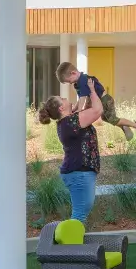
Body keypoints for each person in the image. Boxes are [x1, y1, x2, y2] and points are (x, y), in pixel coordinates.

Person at [39, 78, 103, 223]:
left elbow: (83, 108)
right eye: (62, 98)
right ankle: (70, 244)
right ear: (61, 108)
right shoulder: (71, 122)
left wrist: (82, 90)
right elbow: (98, 110)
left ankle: (74, 242)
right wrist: (92, 90)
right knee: (80, 214)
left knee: (81, 213)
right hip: (79, 173)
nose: (65, 98)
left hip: (79, 171)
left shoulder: (69, 121)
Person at [56, 61, 136, 142]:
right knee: (107, 119)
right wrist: (74, 109)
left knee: (113, 120)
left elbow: (83, 100)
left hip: (105, 101)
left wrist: (78, 112)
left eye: (69, 81)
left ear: (73, 73)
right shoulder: (78, 83)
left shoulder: (83, 80)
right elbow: (80, 99)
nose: (70, 83)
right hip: (101, 102)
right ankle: (124, 126)